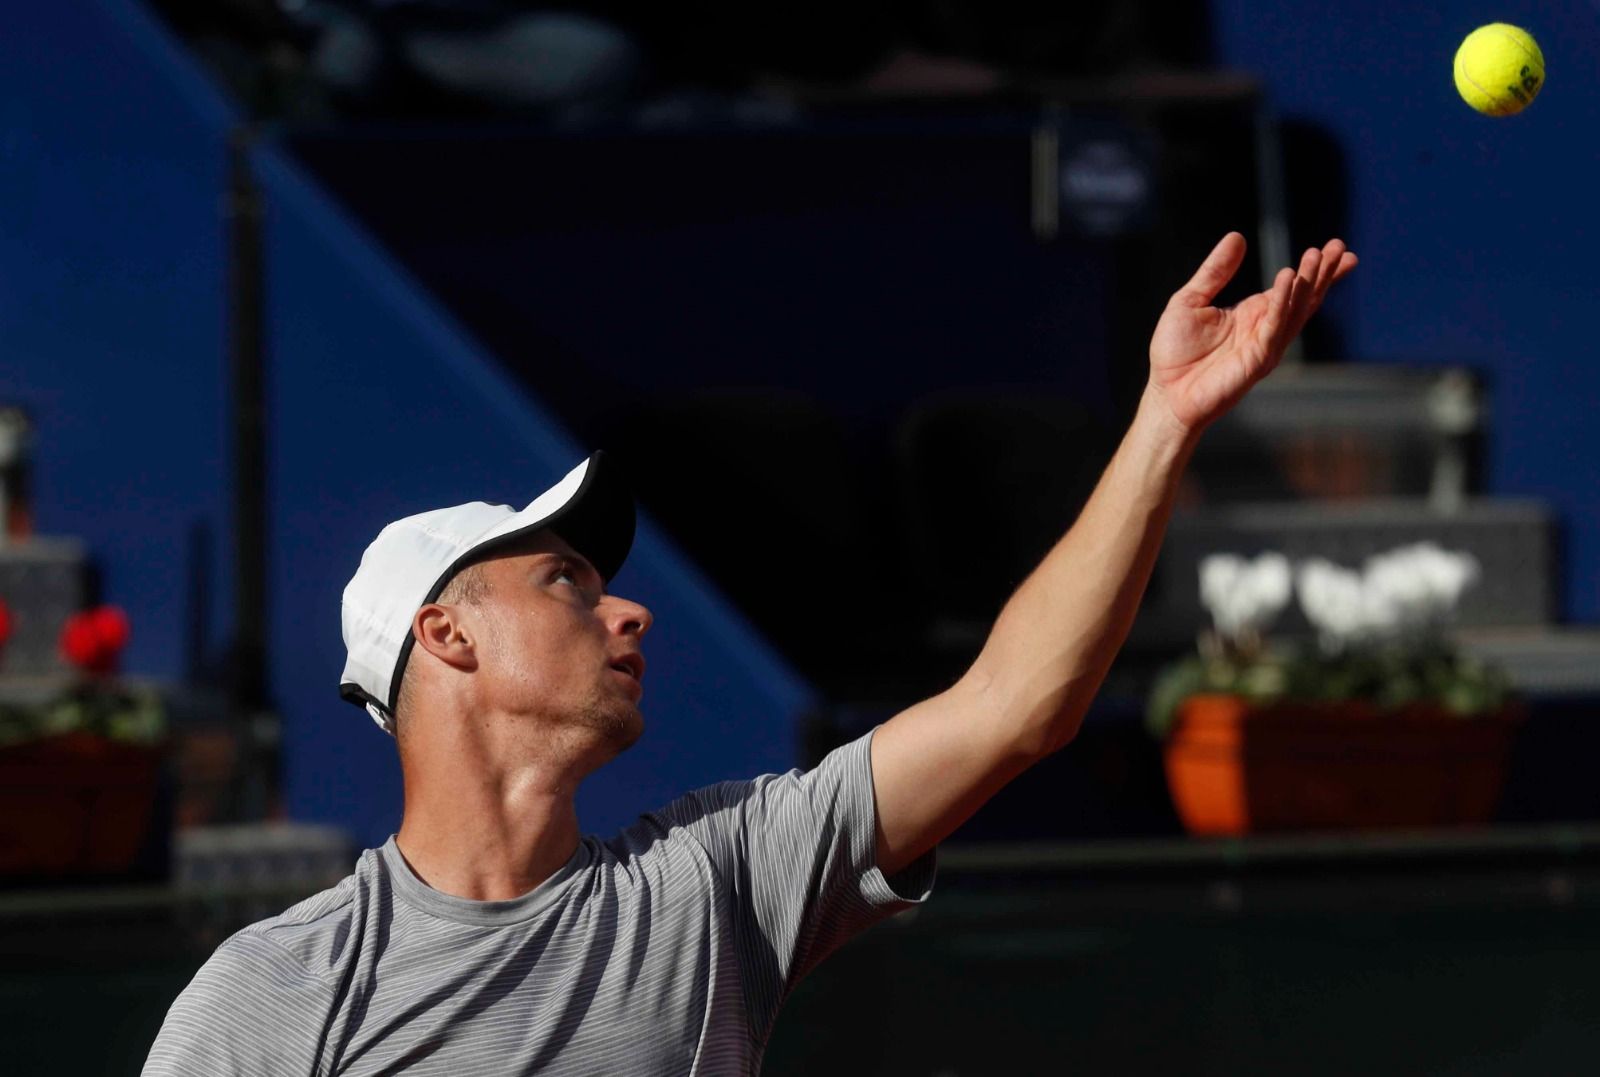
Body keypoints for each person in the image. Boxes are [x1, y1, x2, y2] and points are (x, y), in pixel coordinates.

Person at [143, 232, 1355, 1075]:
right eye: (566, 581)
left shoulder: (711, 882)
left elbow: (1014, 707)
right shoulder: (276, 992)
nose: (630, 615)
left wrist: (1163, 422)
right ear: (445, 636)